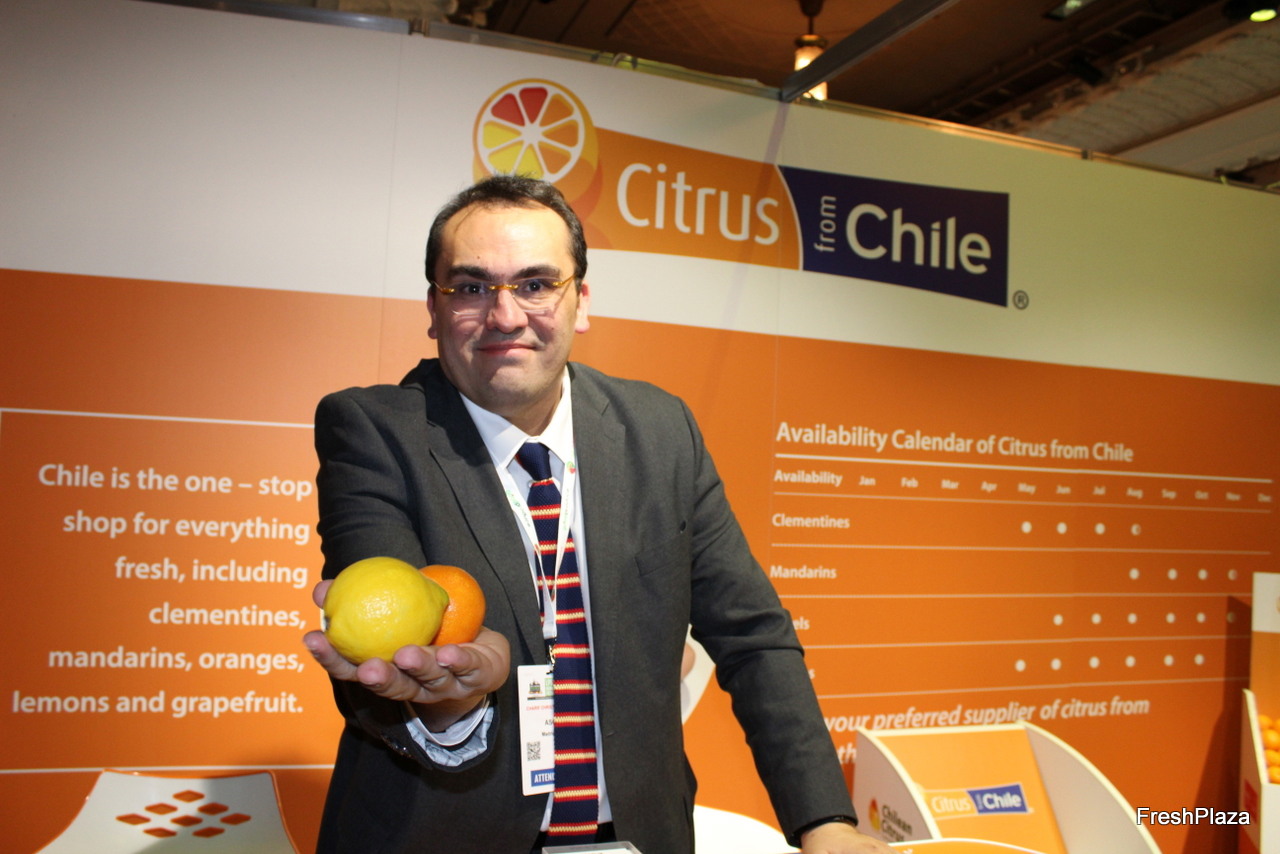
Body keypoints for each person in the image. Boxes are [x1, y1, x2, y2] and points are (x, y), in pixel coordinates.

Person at [302, 174, 896, 854]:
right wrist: (452, 699)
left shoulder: (661, 430)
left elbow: (752, 635)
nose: (505, 315)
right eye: (470, 288)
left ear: (580, 301)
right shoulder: (373, 432)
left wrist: (825, 821)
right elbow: (386, 634)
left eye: (535, 284)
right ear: (434, 309)